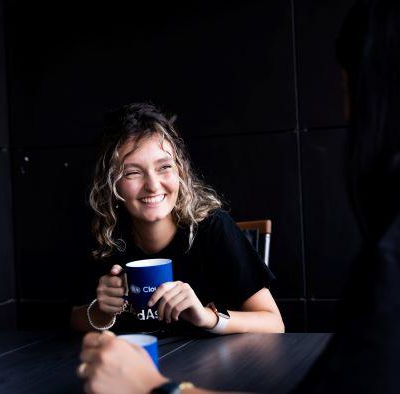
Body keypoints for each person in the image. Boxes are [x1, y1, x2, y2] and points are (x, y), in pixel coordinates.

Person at [78, 0, 400, 392]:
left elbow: (280, 328)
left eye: (350, 90)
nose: (348, 113)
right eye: (132, 173)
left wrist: (155, 388)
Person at [70, 103, 284, 336]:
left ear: (180, 172)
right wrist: (102, 311)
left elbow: (274, 323)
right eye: (132, 172)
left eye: (164, 167)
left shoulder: (213, 228)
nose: (152, 186)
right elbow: (76, 320)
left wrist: (205, 316)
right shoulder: (107, 234)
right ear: (111, 185)